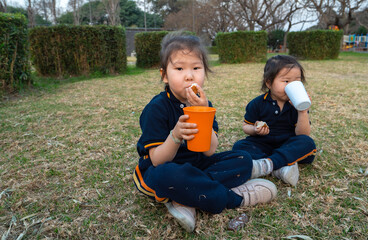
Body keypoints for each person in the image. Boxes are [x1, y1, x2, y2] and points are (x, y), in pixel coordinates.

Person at [133, 32, 277, 232]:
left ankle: (187, 199)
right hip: (166, 168)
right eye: (179, 68)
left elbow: (210, 151)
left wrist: (203, 114)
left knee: (243, 158)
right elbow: (157, 160)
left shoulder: (205, 104)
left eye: (196, 68)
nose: (189, 75)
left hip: (198, 164)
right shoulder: (157, 108)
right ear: (164, 75)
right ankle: (235, 198)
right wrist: (175, 136)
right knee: (167, 176)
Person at [233, 55, 317, 187]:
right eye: (286, 81)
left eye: (297, 81)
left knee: (307, 144)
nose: (292, 85)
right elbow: (246, 126)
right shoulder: (258, 103)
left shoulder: (297, 104)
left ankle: (267, 165)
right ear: (269, 83)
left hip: (288, 144)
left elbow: (303, 134)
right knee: (239, 147)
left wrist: (302, 111)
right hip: (262, 143)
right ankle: (280, 167)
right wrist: (255, 130)